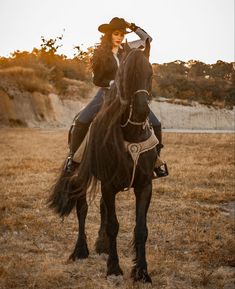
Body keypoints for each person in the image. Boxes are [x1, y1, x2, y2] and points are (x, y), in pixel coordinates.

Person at [65, 17, 167, 177]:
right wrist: (113, 82)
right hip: (106, 94)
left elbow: (147, 39)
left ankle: (156, 162)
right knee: (82, 120)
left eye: (122, 34)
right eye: (116, 33)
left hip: (129, 96)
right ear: (110, 35)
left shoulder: (128, 48)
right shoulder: (99, 53)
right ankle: (74, 160)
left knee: (156, 123)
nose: (120, 37)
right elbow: (96, 79)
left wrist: (131, 26)